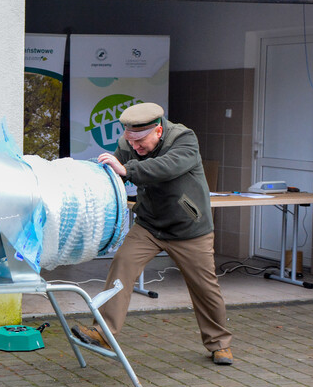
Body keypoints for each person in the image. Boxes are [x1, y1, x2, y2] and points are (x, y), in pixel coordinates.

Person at [71, 102, 234, 366]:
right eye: (130, 141)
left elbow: (165, 168)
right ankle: (103, 332)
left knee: (205, 288)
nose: (134, 148)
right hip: (149, 225)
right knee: (122, 264)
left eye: (140, 142)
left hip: (188, 228)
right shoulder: (129, 143)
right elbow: (116, 175)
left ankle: (219, 344)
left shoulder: (184, 139)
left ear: (158, 131)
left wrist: (128, 170)